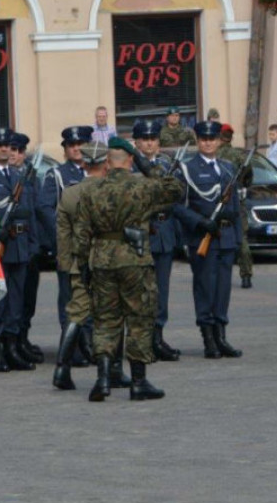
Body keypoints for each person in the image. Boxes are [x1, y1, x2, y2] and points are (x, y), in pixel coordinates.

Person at [73, 137, 184, 401]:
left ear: (108, 163)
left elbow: (81, 233)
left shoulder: (91, 191)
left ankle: (102, 378)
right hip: (135, 260)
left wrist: (83, 265)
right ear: (130, 161)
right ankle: (138, 381)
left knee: (105, 320)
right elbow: (174, 189)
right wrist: (147, 166)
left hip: (102, 261)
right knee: (139, 319)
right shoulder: (142, 186)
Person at [52, 141, 131, 391]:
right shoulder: (116, 191)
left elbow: (62, 236)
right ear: (106, 163)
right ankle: (112, 371)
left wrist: (67, 267)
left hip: (79, 264)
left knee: (76, 314)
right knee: (112, 317)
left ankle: (62, 369)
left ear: (84, 163)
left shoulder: (70, 193)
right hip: (111, 263)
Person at [172, 120, 244, 360]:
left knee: (223, 289)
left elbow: (235, 206)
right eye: (204, 139)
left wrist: (237, 238)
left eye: (212, 139)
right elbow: (178, 206)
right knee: (205, 287)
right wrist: (200, 222)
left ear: (218, 141)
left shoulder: (227, 168)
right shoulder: (187, 169)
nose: (208, 143)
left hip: (225, 237)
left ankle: (221, 335)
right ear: (198, 140)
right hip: (203, 236)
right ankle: (208, 339)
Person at [0, 127, 39, 372]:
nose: (4, 149)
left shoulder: (18, 176)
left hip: (19, 246)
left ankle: (12, 347)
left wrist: (32, 242)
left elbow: (29, 211)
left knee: (16, 299)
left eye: (8, 145)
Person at [37, 126, 91, 364]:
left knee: (93, 298)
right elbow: (45, 208)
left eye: (81, 144)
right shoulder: (56, 175)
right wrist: (63, 237)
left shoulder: (97, 172)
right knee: (70, 301)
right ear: (65, 149)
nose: (77, 149)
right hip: (69, 249)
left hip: (95, 248)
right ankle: (72, 350)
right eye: (72, 145)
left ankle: (90, 345)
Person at [131, 118, 180, 361]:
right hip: (141, 234)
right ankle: (141, 340)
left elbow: (179, 196)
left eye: (153, 140)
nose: (149, 144)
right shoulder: (130, 169)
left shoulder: (167, 165)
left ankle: (158, 336)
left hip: (164, 234)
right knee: (141, 291)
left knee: (161, 290)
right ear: (137, 142)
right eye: (145, 140)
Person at [9, 132, 46, 364]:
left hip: (31, 246)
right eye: (10, 150)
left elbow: (37, 212)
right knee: (14, 298)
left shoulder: (32, 177)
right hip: (12, 245)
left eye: (17, 151)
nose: (13, 154)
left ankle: (23, 337)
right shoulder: (8, 177)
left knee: (28, 297)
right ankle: (13, 341)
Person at [217, 124, 254, 289]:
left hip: (216, 201)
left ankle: (217, 273)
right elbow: (248, 179)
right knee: (242, 239)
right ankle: (246, 275)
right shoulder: (239, 156)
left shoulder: (214, 155)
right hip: (236, 201)